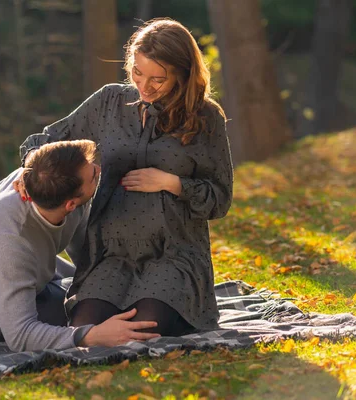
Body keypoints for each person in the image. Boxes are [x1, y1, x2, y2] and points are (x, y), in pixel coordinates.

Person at [18, 18, 233, 337]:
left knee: (141, 330)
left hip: (173, 256)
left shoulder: (206, 118)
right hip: (109, 255)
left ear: (183, 73)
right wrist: (30, 170)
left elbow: (220, 200)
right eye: (137, 72)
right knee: (85, 330)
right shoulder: (108, 102)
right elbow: (45, 141)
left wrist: (171, 183)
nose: (144, 87)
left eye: (158, 79)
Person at [0, 140, 160, 352]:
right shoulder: (10, 239)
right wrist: (92, 335)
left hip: (28, 272)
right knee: (94, 313)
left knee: (109, 295)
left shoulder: (45, 176)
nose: (99, 169)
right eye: (94, 175)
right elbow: (19, 336)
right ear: (70, 204)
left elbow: (85, 255)